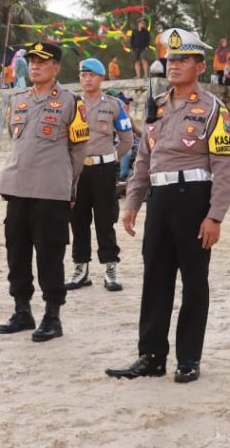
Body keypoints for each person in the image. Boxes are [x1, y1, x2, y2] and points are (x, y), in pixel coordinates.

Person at [106, 28, 230, 384]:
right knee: (155, 280)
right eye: (171, 59)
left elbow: (223, 167)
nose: (174, 65)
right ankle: (151, 356)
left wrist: (215, 215)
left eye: (183, 59)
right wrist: (132, 202)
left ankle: (189, 358)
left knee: (194, 282)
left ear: (200, 65)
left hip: (194, 201)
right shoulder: (157, 107)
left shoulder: (213, 110)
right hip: (159, 202)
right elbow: (144, 158)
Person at [0, 41, 89, 343]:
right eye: (32, 60)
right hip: (17, 188)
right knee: (16, 253)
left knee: (50, 255)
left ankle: (52, 315)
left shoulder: (70, 102)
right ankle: (22, 310)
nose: (35, 65)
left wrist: (67, 183)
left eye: (42, 61)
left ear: (56, 68)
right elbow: (16, 140)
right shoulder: (18, 99)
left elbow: (78, 150)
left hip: (51, 192)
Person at [65, 58, 133, 293]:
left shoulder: (114, 105)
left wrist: (114, 157)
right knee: (78, 221)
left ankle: (110, 269)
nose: (87, 79)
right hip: (77, 171)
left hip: (103, 170)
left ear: (101, 78)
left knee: (105, 221)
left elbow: (127, 139)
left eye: (92, 75)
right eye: (83, 74)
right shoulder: (71, 104)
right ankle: (80, 269)